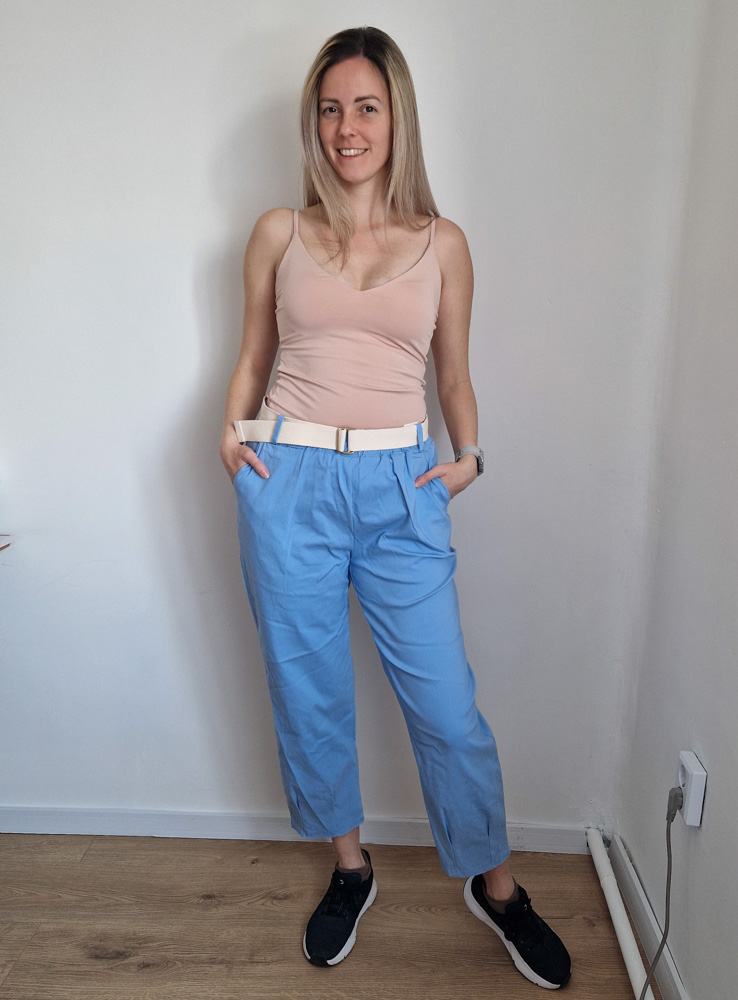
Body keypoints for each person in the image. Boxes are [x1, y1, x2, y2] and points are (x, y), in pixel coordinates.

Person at [220, 26, 571, 991]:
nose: (347, 128)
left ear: (396, 117)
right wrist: (231, 437)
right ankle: (351, 867)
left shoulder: (442, 242)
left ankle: (496, 887)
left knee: (448, 708)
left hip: (402, 487)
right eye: (331, 109)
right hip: (288, 481)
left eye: (365, 107)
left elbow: (452, 374)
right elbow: (251, 355)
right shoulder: (278, 232)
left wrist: (471, 457)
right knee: (309, 691)